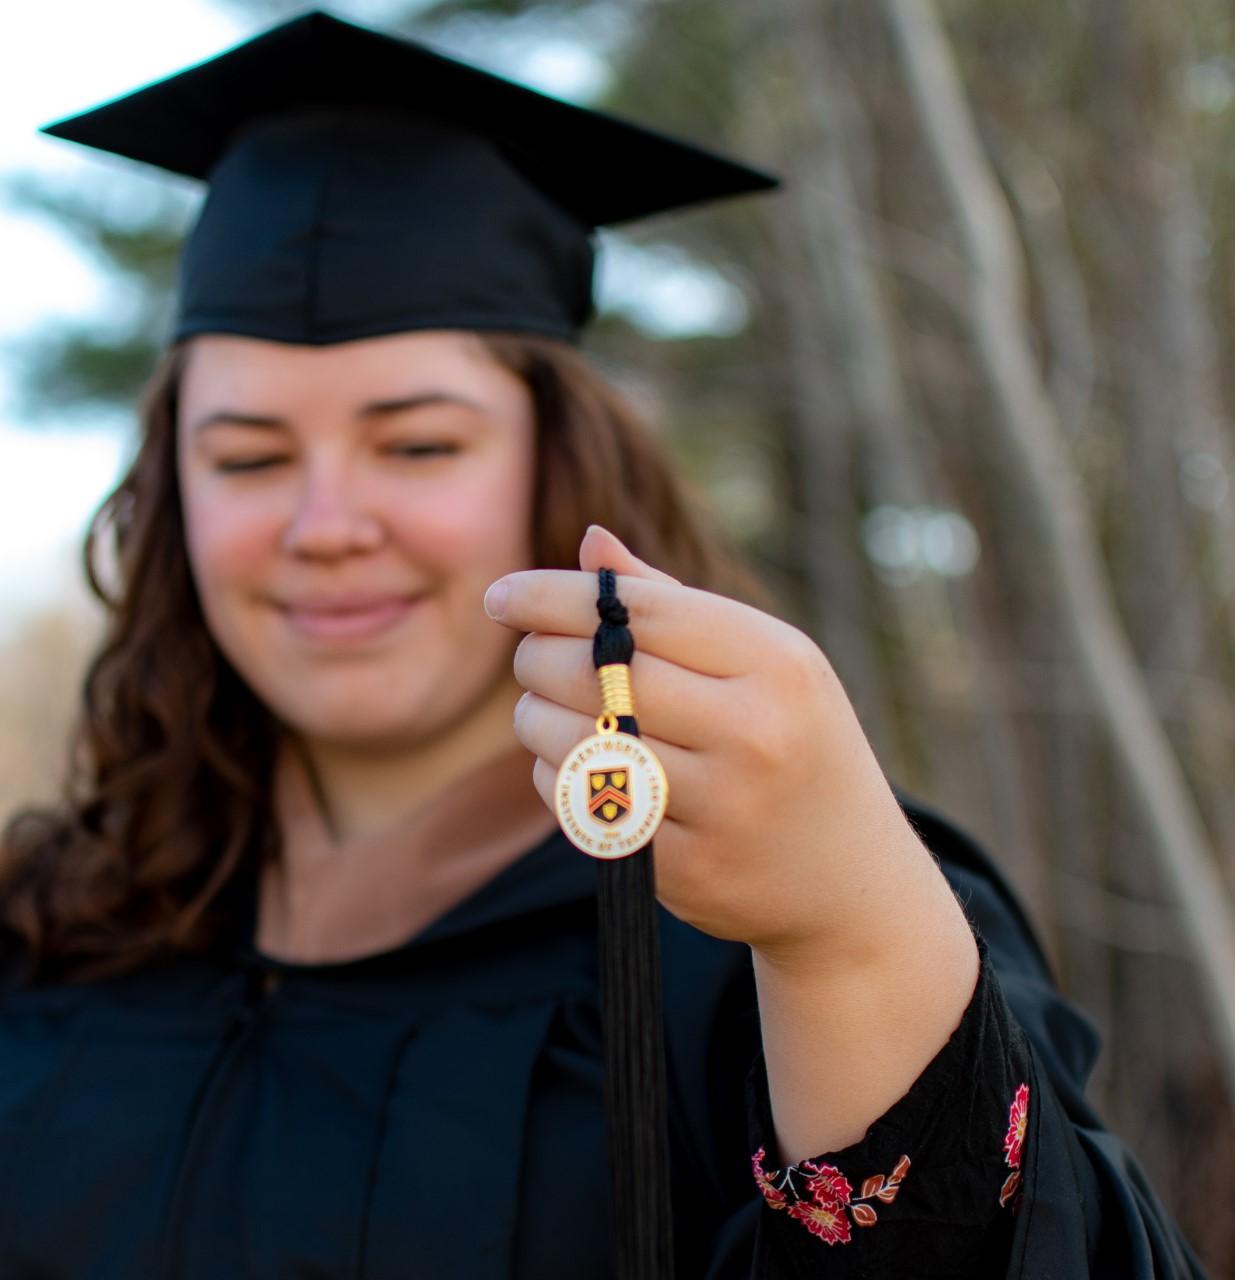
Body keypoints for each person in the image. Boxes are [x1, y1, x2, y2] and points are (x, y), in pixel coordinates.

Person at [0, 10, 1202, 1278]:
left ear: (558, 466)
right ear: (168, 496)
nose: (325, 524)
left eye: (418, 443)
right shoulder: (56, 935)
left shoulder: (771, 916)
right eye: (246, 456)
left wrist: (848, 942)